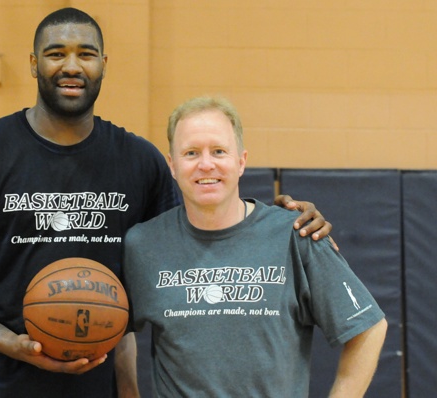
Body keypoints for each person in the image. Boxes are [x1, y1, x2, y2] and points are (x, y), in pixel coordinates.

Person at [0, 8, 333, 398]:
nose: (71, 66)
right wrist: (7, 342)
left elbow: (194, 246)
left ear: (103, 65)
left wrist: (279, 223)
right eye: (55, 54)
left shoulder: (138, 161)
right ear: (33, 64)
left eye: (86, 54)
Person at [122, 96, 388, 397]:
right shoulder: (143, 244)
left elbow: (369, 328)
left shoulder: (297, 233)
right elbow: (114, 330)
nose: (206, 164)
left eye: (219, 151)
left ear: (241, 162)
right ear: (172, 165)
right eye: (191, 152)